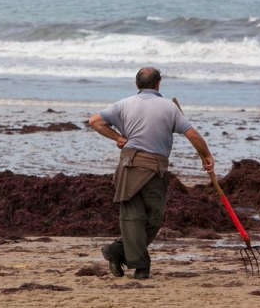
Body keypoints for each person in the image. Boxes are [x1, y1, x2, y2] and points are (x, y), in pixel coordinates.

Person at [88, 67, 214, 280]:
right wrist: (207, 156)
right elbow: (192, 135)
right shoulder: (169, 108)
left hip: (128, 165)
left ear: (137, 84)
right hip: (153, 168)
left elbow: (95, 121)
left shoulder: (123, 104)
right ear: (158, 84)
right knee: (151, 219)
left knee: (132, 218)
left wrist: (117, 137)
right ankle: (140, 267)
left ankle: (118, 251)